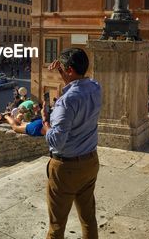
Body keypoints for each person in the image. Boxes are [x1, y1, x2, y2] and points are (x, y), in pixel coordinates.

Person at [43, 48, 101, 239]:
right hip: (90, 162)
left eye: (64, 68)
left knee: (57, 226)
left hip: (66, 168)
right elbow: (81, 81)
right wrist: (65, 74)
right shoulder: (96, 87)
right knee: (88, 218)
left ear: (68, 70)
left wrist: (46, 126)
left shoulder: (66, 101)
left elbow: (57, 142)